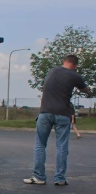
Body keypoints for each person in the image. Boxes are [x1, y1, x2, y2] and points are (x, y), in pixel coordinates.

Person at [24, 55, 89, 185]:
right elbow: (86, 90)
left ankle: (39, 177)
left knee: (40, 145)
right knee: (62, 146)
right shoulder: (75, 76)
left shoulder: (52, 71)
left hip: (45, 112)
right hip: (63, 114)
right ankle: (60, 178)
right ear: (75, 65)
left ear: (64, 61)